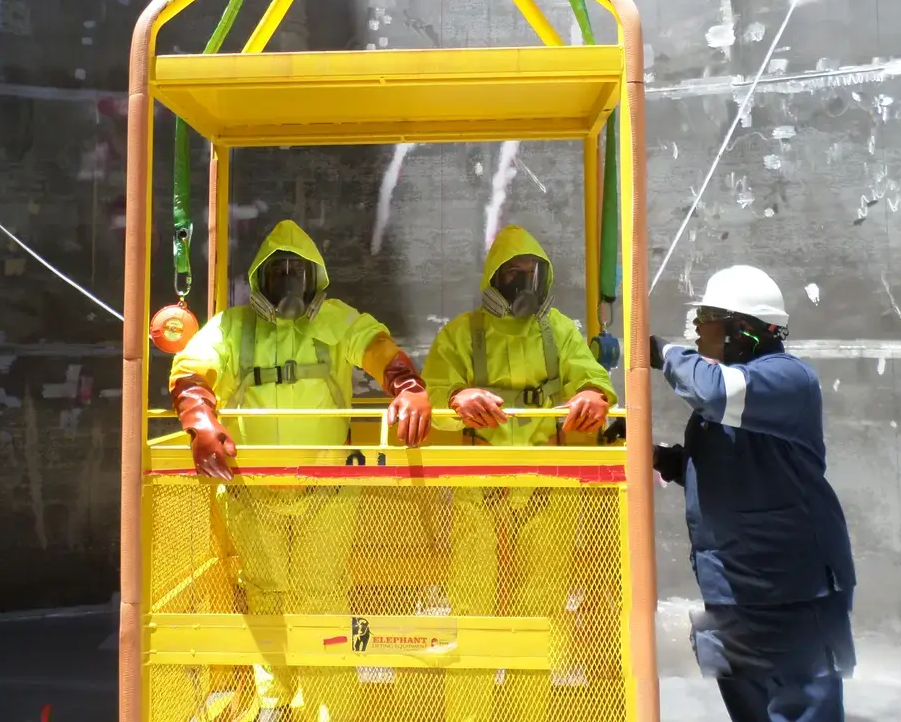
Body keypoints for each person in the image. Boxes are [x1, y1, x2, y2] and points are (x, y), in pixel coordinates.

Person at [168, 219, 431, 720]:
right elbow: (192, 365)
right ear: (259, 279)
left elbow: (372, 344)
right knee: (265, 595)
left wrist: (406, 384)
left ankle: (332, 708)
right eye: (278, 273)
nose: (289, 285)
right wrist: (198, 418)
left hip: (325, 491)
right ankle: (277, 704)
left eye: (298, 273)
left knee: (320, 596)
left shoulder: (333, 320)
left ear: (317, 279)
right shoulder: (232, 327)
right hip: (252, 490)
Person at [422, 224, 617, 721]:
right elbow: (436, 390)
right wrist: (457, 397)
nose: (522, 284)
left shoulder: (560, 331)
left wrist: (594, 395)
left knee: (542, 609)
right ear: (493, 278)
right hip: (477, 493)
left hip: (546, 491)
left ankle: (529, 712)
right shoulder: (462, 333)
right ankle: (471, 714)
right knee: (471, 608)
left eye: (531, 274)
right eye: (512, 274)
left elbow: (590, 376)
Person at [649, 265, 856, 722]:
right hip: (731, 585)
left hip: (790, 589)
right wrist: (660, 457)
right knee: (750, 710)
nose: (698, 331)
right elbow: (727, 468)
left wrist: (664, 352)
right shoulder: (734, 390)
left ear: (743, 330)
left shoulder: (785, 378)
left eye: (706, 320)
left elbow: (712, 390)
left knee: (802, 711)